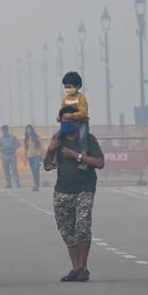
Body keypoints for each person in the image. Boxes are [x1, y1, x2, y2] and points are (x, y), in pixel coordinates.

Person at [43, 107, 104, 281]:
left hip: (84, 189)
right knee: (66, 229)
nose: (66, 124)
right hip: (62, 191)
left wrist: (76, 156)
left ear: (78, 122)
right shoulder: (58, 140)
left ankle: (83, 267)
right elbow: (47, 166)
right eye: (63, 121)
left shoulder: (88, 140)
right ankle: (75, 267)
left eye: (70, 121)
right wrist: (50, 149)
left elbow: (99, 162)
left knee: (82, 227)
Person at [59, 72, 90, 162]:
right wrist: (60, 118)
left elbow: (83, 113)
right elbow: (62, 110)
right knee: (57, 136)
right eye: (66, 87)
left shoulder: (81, 98)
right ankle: (55, 158)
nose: (67, 89)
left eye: (69, 87)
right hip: (68, 124)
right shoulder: (65, 99)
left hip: (81, 123)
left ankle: (84, 157)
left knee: (82, 136)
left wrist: (71, 116)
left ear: (78, 86)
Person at [24, 125, 43, 191]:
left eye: (29, 129)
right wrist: (25, 158)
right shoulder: (26, 138)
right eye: (27, 130)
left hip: (37, 156)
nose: (28, 131)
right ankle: (35, 184)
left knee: (36, 169)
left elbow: (41, 146)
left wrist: (42, 156)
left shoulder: (37, 137)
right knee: (33, 171)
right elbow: (26, 149)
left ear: (32, 130)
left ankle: (36, 184)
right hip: (30, 157)